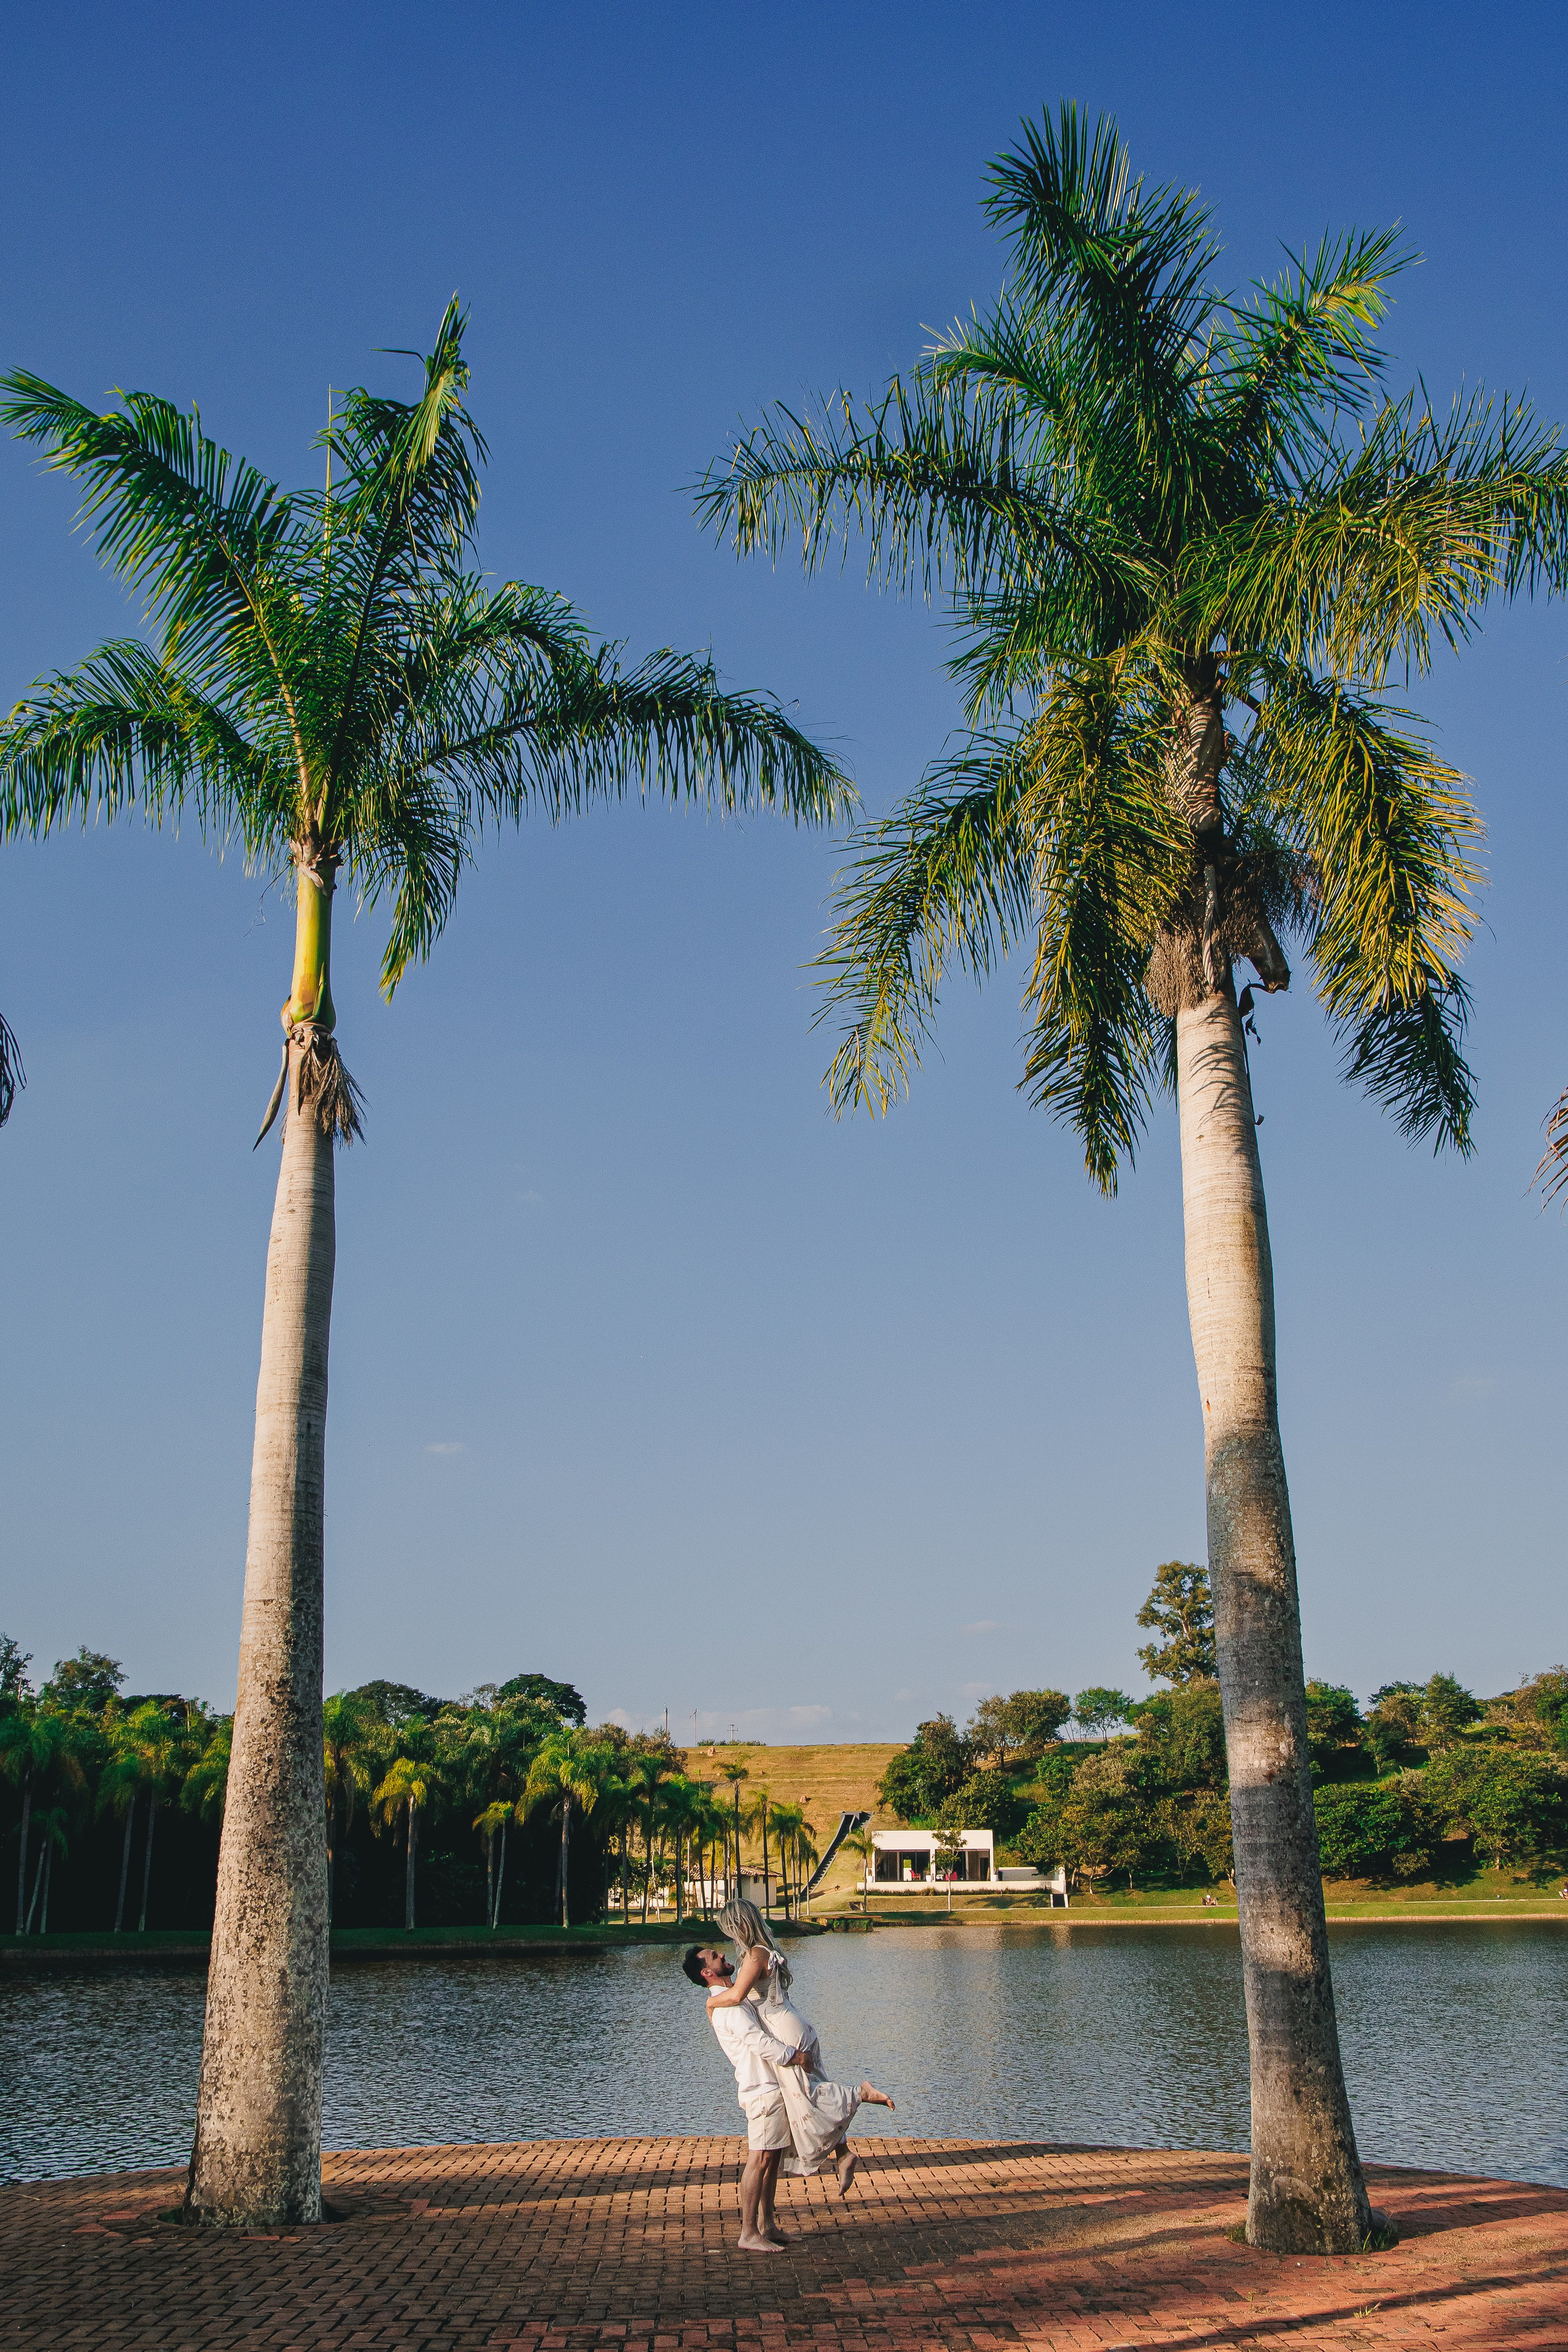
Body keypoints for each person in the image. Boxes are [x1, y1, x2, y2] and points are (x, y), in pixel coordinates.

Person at [704, 1899, 895, 2194]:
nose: (729, 1938)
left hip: (785, 2032)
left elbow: (737, 1995)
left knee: (805, 2097)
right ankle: (844, 2156)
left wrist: (710, 2003)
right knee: (813, 2088)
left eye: (730, 1930)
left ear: (740, 1926)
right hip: (795, 2025)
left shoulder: (755, 1955)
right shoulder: (764, 1951)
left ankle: (860, 2093)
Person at [683, 1939, 811, 2250]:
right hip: (761, 2089)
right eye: (714, 1957)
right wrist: (793, 2055)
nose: (722, 1955)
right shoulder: (726, 2006)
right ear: (707, 1973)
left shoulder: (729, 1999)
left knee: (773, 2157)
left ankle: (768, 2226)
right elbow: (757, 2041)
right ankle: (748, 2233)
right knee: (760, 2158)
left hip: (771, 2086)